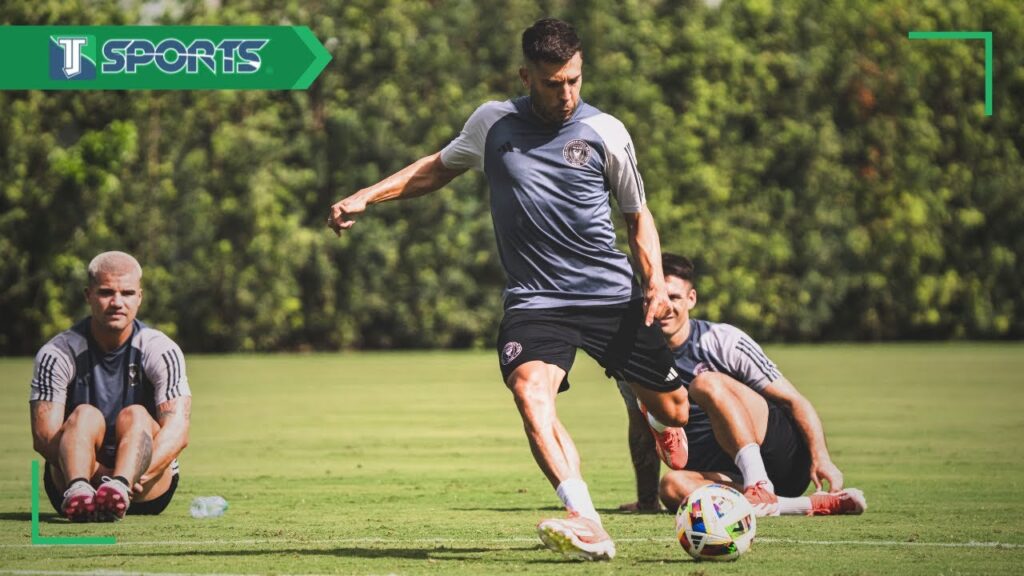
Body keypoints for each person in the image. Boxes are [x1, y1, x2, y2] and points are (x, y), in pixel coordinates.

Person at [328, 18, 692, 561]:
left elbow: (638, 217)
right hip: (536, 301)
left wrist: (655, 287)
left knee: (677, 410)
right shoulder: (491, 123)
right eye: (552, 82)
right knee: (530, 392)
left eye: (574, 79)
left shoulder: (607, 132)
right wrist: (367, 195)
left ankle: (657, 418)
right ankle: (586, 519)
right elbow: (436, 169)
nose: (566, 93)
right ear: (526, 75)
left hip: (608, 296)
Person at [617, 254, 867, 517]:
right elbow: (641, 429)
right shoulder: (633, 361)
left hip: (781, 460)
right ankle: (801, 505)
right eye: (656, 297)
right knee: (672, 486)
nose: (664, 306)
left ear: (692, 299)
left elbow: (794, 401)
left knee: (705, 383)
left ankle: (759, 482)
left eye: (674, 297)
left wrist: (821, 457)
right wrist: (647, 501)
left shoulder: (722, 341)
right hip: (727, 474)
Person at [29, 251, 191, 522]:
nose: (117, 302)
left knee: (136, 414)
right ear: (88, 295)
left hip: (144, 486)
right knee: (84, 415)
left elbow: (178, 432)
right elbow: (44, 436)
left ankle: (118, 487)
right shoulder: (57, 353)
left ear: (139, 297)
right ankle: (81, 488)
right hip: (72, 485)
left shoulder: (161, 350)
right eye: (106, 292)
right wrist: (104, 477)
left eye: (127, 293)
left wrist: (128, 479)